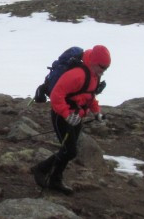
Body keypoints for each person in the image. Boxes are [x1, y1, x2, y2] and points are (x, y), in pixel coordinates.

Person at [31, 44, 111, 195]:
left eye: (106, 68)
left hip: (77, 116)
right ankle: (41, 170)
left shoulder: (95, 74)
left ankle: (55, 178)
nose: (104, 71)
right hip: (62, 115)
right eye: (102, 67)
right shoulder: (77, 75)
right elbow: (56, 95)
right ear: (94, 62)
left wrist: (96, 113)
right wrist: (66, 115)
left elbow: (89, 95)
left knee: (68, 150)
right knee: (70, 150)